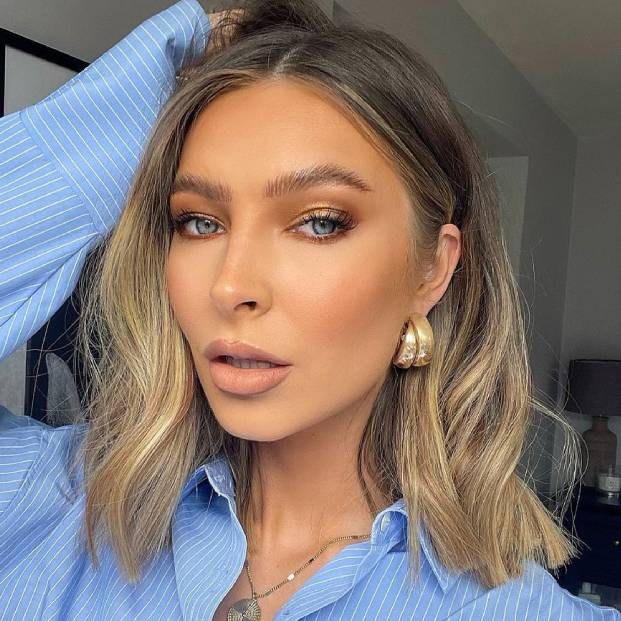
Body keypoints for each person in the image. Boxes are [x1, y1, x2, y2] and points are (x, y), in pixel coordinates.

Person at [0, 0, 618, 619]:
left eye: (320, 223)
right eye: (199, 222)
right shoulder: (47, 500)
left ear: (431, 268)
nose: (229, 286)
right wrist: (168, 57)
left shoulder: (510, 610)